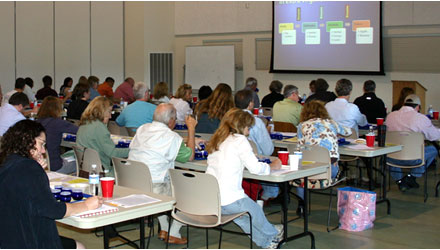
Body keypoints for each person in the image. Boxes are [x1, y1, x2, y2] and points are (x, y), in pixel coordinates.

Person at [0, 120, 103, 249]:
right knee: (79, 246)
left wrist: (37, 170)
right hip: (27, 240)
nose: (43, 151)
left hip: (7, 236)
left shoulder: (6, 161)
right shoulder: (30, 168)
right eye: (41, 144)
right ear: (28, 140)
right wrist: (86, 205)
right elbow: (52, 210)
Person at [205, 108, 282, 249]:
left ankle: (266, 243)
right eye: (248, 127)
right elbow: (256, 169)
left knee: (242, 218)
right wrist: (272, 167)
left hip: (213, 200)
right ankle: (273, 233)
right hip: (231, 199)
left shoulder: (218, 139)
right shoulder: (240, 140)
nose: (249, 130)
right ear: (242, 126)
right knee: (255, 211)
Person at [129, 103, 199, 245]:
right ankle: (173, 233)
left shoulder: (142, 129)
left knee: (164, 184)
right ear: (171, 120)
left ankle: (164, 229)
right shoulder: (171, 137)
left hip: (133, 183)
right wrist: (191, 129)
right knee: (191, 191)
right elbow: (190, 156)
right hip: (154, 188)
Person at [297, 100, 351, 199]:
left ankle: (302, 203)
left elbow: (300, 147)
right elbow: (348, 132)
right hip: (329, 170)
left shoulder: (302, 125)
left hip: (308, 169)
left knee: (300, 175)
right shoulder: (331, 123)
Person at [385, 94, 440, 191]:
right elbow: (434, 136)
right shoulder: (421, 118)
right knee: (434, 149)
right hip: (414, 158)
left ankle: (400, 181)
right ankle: (412, 176)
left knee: (390, 151)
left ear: (404, 104)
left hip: (392, 157)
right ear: (418, 107)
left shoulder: (390, 116)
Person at [235, 89, 278, 201]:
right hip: (255, 164)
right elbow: (268, 150)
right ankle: (270, 194)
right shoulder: (256, 122)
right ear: (250, 104)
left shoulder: (229, 119)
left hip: (236, 164)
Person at [77, 96, 129, 176]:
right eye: (109, 112)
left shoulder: (84, 124)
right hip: (102, 171)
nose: (110, 116)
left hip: (85, 170)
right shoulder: (99, 128)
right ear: (102, 111)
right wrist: (132, 150)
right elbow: (113, 153)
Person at [37, 96, 78, 174]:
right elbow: (80, 131)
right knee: (79, 163)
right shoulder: (57, 123)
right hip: (55, 166)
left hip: (41, 164)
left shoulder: (37, 122)